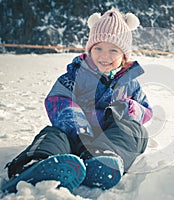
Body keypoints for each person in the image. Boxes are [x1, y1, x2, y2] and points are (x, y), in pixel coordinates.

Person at [2, 9, 152, 193]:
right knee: (54, 134)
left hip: (109, 140)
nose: (104, 56)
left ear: (124, 56)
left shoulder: (130, 83)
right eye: (98, 48)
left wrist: (131, 108)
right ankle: (36, 163)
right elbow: (57, 99)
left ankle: (103, 162)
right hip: (74, 134)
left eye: (113, 50)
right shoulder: (75, 75)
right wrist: (75, 120)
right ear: (89, 50)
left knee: (136, 131)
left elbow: (146, 111)